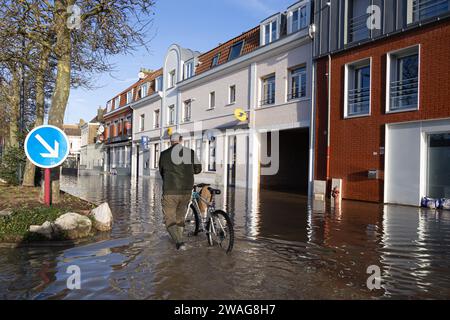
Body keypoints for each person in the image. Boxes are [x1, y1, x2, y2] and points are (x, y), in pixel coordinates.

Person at [159, 133, 202, 250]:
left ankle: (179, 242)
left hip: (170, 190)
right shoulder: (190, 153)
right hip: (186, 190)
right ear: (181, 140)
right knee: (180, 217)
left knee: (169, 218)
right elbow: (198, 169)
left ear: (170, 141)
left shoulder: (164, 154)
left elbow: (162, 172)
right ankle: (180, 239)